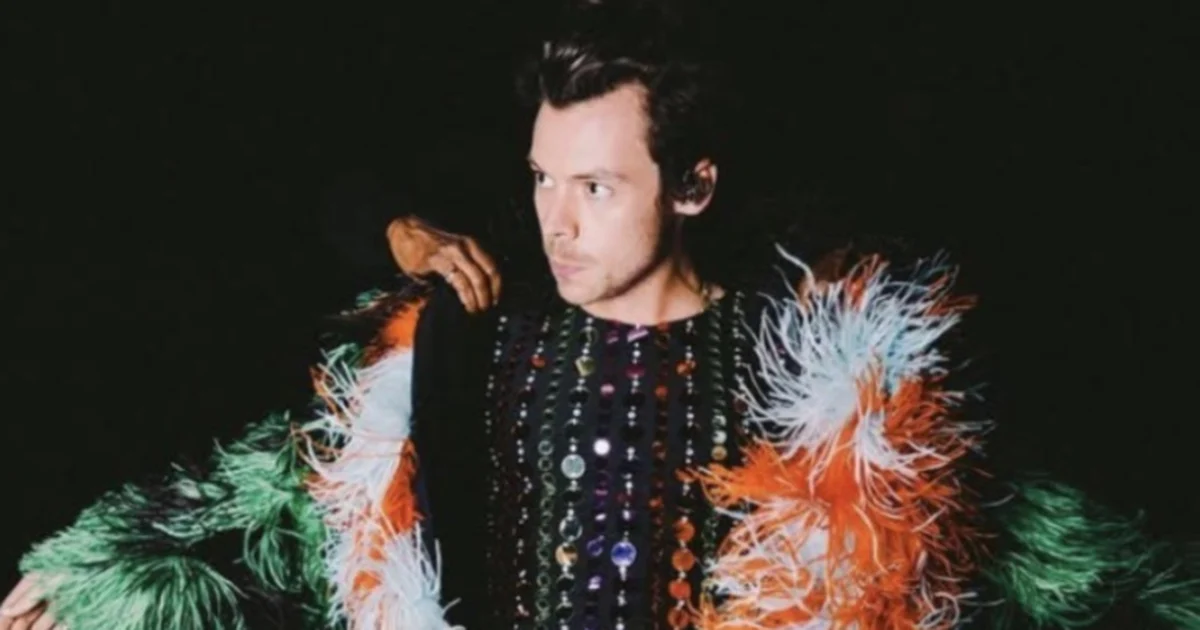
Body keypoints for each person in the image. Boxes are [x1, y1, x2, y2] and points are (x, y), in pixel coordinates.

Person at [4, 2, 1198, 629]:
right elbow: (275, 493)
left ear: (692, 187)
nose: (556, 222)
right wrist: (101, 584)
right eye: (542, 180)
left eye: (596, 187)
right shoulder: (473, 336)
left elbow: (1028, 543)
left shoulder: (811, 376)